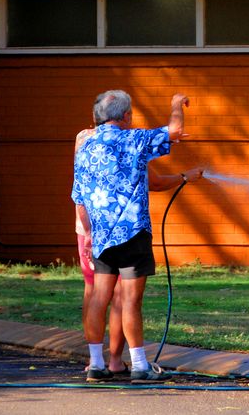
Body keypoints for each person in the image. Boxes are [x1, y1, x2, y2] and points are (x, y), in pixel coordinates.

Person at [72, 90, 196, 383]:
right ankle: (139, 365)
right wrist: (176, 102)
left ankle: (95, 365)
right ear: (126, 116)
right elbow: (175, 130)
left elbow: (79, 197)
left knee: (98, 298)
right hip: (132, 232)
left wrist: (89, 234)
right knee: (130, 301)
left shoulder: (85, 147)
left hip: (100, 235)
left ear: (96, 117)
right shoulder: (133, 139)